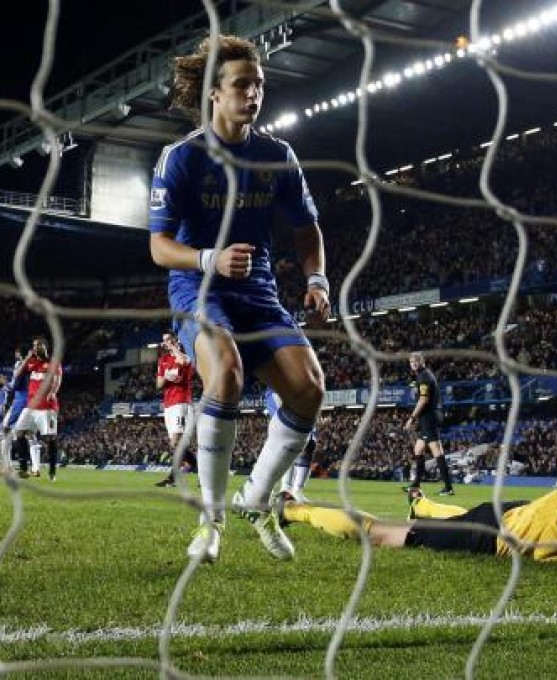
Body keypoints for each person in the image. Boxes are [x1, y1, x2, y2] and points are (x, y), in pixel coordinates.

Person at [148, 34, 329, 563]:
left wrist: (317, 281)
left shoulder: (277, 155)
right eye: (242, 85)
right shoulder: (180, 158)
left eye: (259, 85)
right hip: (196, 287)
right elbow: (159, 247)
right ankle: (211, 521)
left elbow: (307, 228)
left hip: (258, 291)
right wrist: (209, 258)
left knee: (310, 389)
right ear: (213, 93)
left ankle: (257, 499)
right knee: (223, 370)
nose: (253, 94)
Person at [280, 481, 557, 570]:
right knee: (384, 534)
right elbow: (543, 554)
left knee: (452, 517)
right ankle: (293, 510)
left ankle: (422, 502)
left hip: (523, 509)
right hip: (497, 532)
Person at [5, 337, 63, 481]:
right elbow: (17, 374)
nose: (36, 348)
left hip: (47, 407)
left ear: (46, 347)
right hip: (30, 406)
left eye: (39, 345)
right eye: (34, 345)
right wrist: (27, 358)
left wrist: (53, 392)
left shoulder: (53, 362)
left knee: (50, 438)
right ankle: (24, 468)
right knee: (19, 432)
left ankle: (52, 470)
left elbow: (57, 378)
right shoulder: (31, 362)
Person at [403, 352, 454, 496]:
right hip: (428, 416)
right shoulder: (423, 375)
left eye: (416, 361)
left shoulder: (424, 376)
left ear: (422, 362)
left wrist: (412, 418)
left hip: (430, 416)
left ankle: (448, 487)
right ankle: (416, 485)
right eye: (411, 361)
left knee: (437, 450)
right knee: (418, 449)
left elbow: (423, 400)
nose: (413, 363)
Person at [155, 331, 197, 487]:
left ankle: (173, 478)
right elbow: (158, 384)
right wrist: (166, 377)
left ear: (175, 340)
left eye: (168, 339)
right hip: (168, 405)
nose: (166, 342)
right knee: (174, 445)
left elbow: (184, 362)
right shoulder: (163, 360)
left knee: (176, 441)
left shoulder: (185, 355)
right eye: (164, 340)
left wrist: (174, 347)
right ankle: (194, 463)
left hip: (181, 402)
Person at [265, 387, 315, 503]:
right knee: (290, 438)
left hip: (299, 393)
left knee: (308, 442)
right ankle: (286, 488)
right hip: (281, 391)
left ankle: (295, 490)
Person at [0, 347, 32, 474]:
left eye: (16, 352)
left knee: (5, 430)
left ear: (19, 354)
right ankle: (28, 465)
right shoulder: (32, 364)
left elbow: (14, 386)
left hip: (21, 401)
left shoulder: (20, 364)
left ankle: (7, 465)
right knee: (24, 435)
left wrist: (5, 383)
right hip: (29, 400)